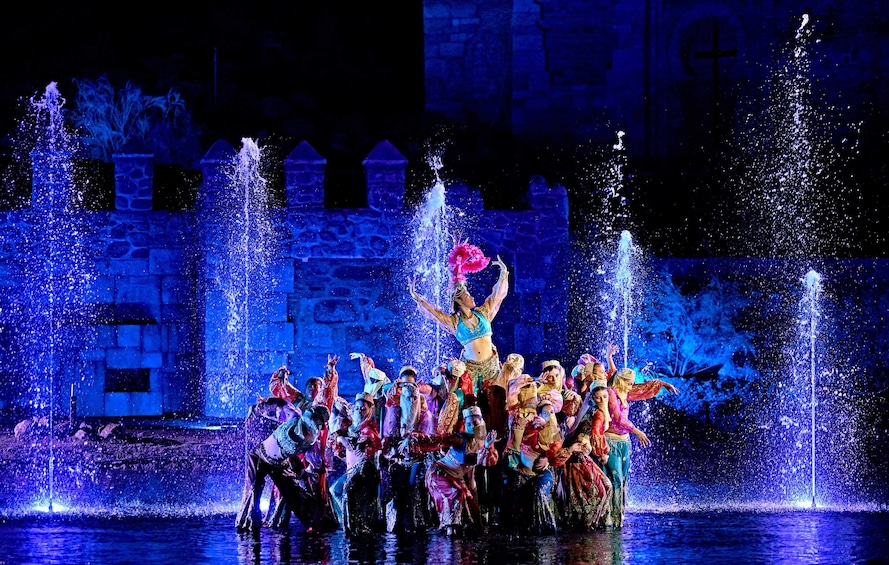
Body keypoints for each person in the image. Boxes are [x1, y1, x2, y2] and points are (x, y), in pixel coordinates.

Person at [408, 241, 509, 387]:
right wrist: (417, 297)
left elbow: (496, 296)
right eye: (468, 295)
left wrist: (503, 274)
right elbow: (434, 313)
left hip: (491, 367)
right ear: (458, 299)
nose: (472, 297)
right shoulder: (454, 322)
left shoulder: (483, 314)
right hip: (470, 369)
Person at [235, 404, 331, 532]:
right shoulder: (293, 416)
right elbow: (277, 405)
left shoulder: (312, 443)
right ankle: (247, 524)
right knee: (254, 489)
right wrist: (256, 409)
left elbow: (314, 465)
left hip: (280, 464)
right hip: (260, 456)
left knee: (294, 492)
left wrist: (305, 472)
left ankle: (318, 523)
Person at [604, 367, 678, 527]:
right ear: (621, 381)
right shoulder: (611, 393)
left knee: (623, 479)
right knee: (615, 478)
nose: (632, 386)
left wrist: (664, 384)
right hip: (610, 440)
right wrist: (637, 431)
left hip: (624, 441)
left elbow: (643, 388)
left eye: (632, 384)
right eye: (629, 383)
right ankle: (609, 515)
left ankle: (619, 517)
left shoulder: (626, 392)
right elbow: (617, 418)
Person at [425, 405, 499, 536]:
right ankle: (449, 534)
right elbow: (441, 442)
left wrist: (474, 502)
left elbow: (473, 476)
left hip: (456, 477)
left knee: (468, 502)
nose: (472, 426)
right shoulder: (460, 439)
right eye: (468, 423)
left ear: (482, 422)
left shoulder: (485, 443)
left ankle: (467, 533)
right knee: (457, 494)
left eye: (475, 423)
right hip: (439, 474)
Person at [557, 380, 613, 531]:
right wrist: (602, 453)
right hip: (578, 456)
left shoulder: (595, 411)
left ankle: (587, 524)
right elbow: (595, 434)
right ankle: (588, 525)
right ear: (592, 398)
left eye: (605, 397)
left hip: (578, 455)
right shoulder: (598, 413)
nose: (602, 400)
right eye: (598, 397)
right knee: (601, 489)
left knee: (591, 490)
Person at [329, 392, 385, 535]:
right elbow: (339, 446)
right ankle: (347, 522)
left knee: (349, 491)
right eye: (358, 408)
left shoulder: (369, 428)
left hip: (365, 470)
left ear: (370, 410)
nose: (360, 411)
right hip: (352, 469)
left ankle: (358, 526)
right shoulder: (349, 426)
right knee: (334, 490)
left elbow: (362, 449)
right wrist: (340, 439)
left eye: (363, 409)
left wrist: (344, 440)